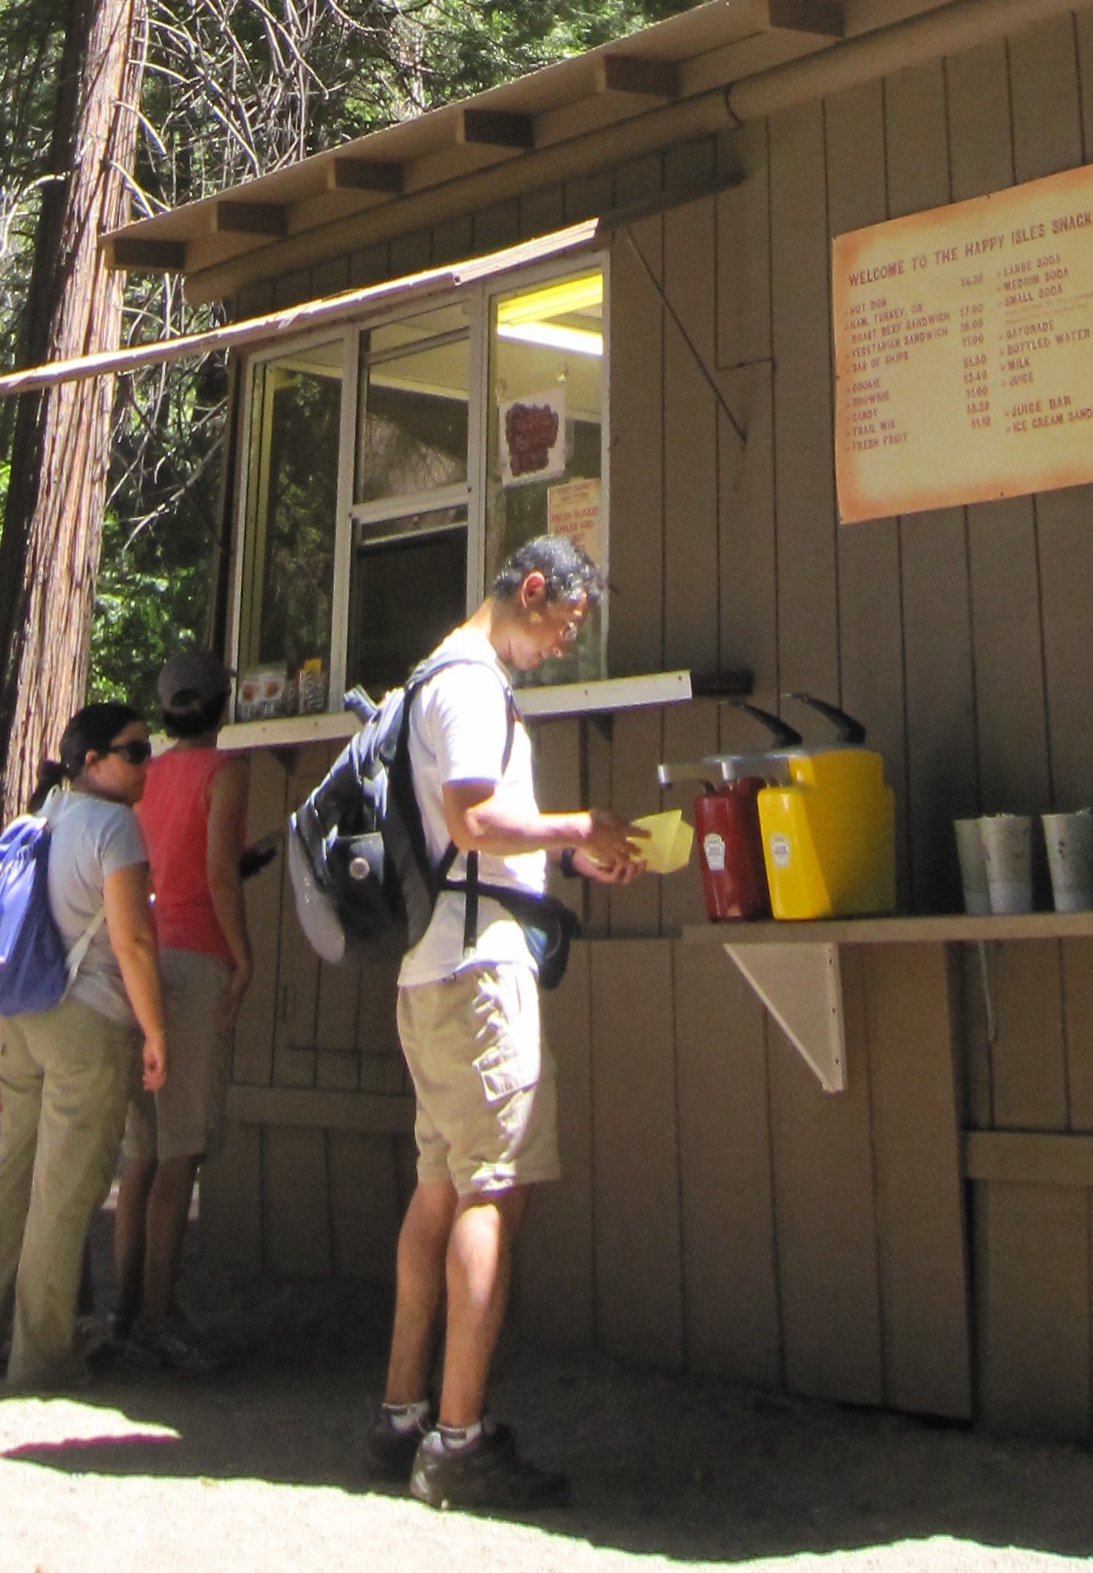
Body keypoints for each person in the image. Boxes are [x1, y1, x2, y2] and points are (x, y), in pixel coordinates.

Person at [373, 536, 636, 1512]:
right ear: (530, 590)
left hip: (435, 966)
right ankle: (457, 1441)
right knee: (496, 1189)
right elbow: (476, 820)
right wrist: (578, 826)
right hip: (478, 975)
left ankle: (403, 1412)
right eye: (563, 623)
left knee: (441, 1186)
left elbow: (476, 839)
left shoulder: (436, 680)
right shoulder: (472, 684)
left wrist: (572, 861)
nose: (563, 645)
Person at [0, 700, 167, 1389]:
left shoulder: (37, 821)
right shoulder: (115, 827)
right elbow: (133, 941)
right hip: (87, 1023)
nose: (146, 765)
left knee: (10, 1185)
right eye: (134, 752)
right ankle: (43, 1357)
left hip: (20, 1021)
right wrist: (155, 1033)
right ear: (92, 761)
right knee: (64, 1195)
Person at [104, 642, 247, 1366]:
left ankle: (124, 1310)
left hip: (142, 959)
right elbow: (220, 873)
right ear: (224, 704)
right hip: (195, 958)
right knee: (180, 1152)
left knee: (141, 1151)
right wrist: (244, 956)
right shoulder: (225, 772)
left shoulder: (144, 776)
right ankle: (160, 1318)